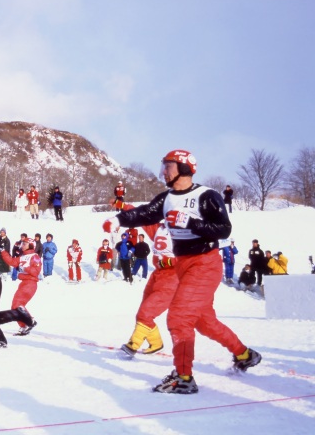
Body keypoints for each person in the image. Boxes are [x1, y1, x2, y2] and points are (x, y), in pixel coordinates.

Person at [103, 149, 261, 394]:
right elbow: (144, 213)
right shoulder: (166, 198)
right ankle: (244, 354)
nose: (163, 171)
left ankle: (184, 377)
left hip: (204, 262)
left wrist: (190, 222)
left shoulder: (206, 195)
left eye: (168, 166)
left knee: (178, 318)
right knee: (204, 321)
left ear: (184, 168)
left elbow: (223, 229)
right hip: (183, 264)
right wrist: (118, 220)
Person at [120, 223, 177, 358]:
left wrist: (170, 262)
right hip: (157, 275)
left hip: (172, 278)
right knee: (141, 315)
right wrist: (123, 206)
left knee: (146, 314)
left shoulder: (186, 231)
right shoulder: (160, 229)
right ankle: (156, 343)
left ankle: (133, 345)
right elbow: (142, 218)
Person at [0, 237, 41, 335]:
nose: (22, 245)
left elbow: (36, 272)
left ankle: (29, 322)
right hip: (24, 282)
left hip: (30, 283)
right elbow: (12, 262)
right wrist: (3, 252)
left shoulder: (35, 256)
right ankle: (25, 325)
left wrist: (27, 268)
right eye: (22, 243)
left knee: (17, 304)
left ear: (30, 245)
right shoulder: (22, 257)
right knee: (15, 306)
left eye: (24, 244)